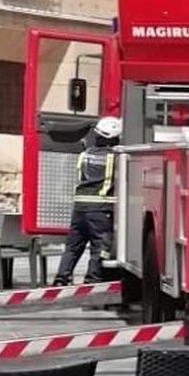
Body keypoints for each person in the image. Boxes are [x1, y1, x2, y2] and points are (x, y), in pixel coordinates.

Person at [54, 115, 123, 285]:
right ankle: (92, 279)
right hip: (100, 208)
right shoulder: (115, 157)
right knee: (100, 246)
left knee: (73, 245)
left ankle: (61, 278)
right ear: (114, 138)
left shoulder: (85, 154)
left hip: (79, 208)